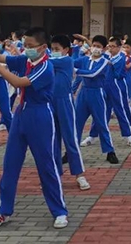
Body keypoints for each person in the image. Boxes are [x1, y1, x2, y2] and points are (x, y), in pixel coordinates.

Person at [0, 27, 69, 230]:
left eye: (30, 46)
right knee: (10, 164)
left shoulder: (46, 67)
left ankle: (59, 211)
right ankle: (3, 210)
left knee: (46, 165)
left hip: (40, 116)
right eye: (25, 45)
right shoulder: (26, 60)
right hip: (21, 114)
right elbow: (2, 57)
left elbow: (18, 82)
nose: (26, 49)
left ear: (43, 47)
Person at [49, 34, 90, 191]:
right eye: (52, 49)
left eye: (57, 49)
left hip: (64, 102)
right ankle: (55, 175)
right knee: (53, 140)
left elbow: (44, 61)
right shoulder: (48, 62)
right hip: (49, 102)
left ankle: (79, 174)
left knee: (70, 139)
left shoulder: (66, 61)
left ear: (66, 50)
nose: (54, 51)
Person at [73, 35, 119, 164]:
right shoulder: (84, 59)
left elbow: (93, 73)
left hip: (97, 93)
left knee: (101, 123)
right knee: (76, 123)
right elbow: (70, 62)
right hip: (83, 93)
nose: (95, 48)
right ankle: (71, 152)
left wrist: (75, 70)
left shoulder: (104, 61)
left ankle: (110, 151)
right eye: (94, 45)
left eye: (98, 46)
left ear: (104, 49)